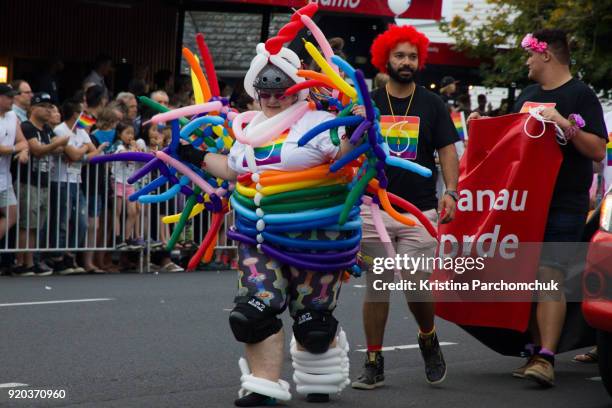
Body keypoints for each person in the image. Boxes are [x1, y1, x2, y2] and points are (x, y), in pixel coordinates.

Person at [178, 43, 354, 407]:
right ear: (256, 92)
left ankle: (320, 376)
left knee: (313, 323)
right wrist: (194, 155)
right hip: (259, 235)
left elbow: (344, 155)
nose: (273, 99)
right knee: (252, 312)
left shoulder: (319, 124)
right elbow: (232, 169)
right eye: (266, 92)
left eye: (281, 92)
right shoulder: (248, 129)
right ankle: (263, 386)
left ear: (297, 90)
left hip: (316, 238)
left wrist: (361, 129)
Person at [469, 29, 607, 387]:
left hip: (564, 201)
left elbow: (597, 150)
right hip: (524, 202)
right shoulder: (528, 95)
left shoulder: (580, 94)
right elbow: (507, 146)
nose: (526, 61)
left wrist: (563, 122)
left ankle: (546, 357)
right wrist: (480, 130)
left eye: (530, 55)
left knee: (550, 273)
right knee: (527, 275)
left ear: (546, 54)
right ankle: (534, 352)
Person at [351, 24, 459, 390]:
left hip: (419, 211)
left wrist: (452, 192)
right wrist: (351, 120)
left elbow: (447, 150)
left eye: (412, 56)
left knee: (415, 284)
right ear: (386, 59)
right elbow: (347, 148)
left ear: (420, 60)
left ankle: (427, 336)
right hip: (373, 208)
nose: (406, 62)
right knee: (377, 284)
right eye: (399, 55)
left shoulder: (433, 104)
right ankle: (373, 360)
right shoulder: (370, 102)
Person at [15, 92, 69, 276]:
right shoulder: (27, 127)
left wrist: (56, 144)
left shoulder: (46, 129)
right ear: (32, 108)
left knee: (37, 224)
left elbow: (59, 147)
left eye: (50, 106)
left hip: (44, 181)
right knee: (27, 223)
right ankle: (25, 263)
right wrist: (56, 145)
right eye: (44, 106)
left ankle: (31, 260)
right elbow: (37, 150)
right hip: (28, 180)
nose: (48, 110)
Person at [51, 98, 108, 274]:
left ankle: (70, 254)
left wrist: (81, 151)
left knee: (81, 222)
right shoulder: (60, 129)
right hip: (61, 180)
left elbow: (94, 153)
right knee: (62, 220)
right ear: (75, 114)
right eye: (82, 113)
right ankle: (59, 258)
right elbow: (78, 155)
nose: (87, 117)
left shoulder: (82, 132)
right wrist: (83, 151)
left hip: (77, 181)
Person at [0, 84, 29, 244]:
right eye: (9, 97)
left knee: (12, 215)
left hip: (5, 178)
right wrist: (14, 149)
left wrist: (23, 151)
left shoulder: (12, 116)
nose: (13, 100)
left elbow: (23, 142)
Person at [111, 121, 144, 250]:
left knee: (133, 211)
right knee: (117, 211)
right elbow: (128, 157)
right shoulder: (119, 146)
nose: (130, 136)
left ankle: (127, 237)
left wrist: (139, 151)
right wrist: (134, 151)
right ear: (120, 134)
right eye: (127, 133)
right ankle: (118, 238)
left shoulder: (133, 147)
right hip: (118, 181)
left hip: (129, 183)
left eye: (132, 133)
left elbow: (140, 160)